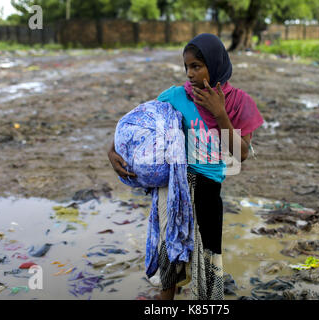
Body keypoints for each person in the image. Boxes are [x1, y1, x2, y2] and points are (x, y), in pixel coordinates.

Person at [108, 33, 264, 300]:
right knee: (169, 245)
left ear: (215, 65)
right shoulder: (176, 96)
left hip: (208, 189)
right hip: (172, 184)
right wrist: (112, 150)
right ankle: (166, 298)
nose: (190, 74)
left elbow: (242, 154)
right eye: (187, 67)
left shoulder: (239, 103)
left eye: (197, 66)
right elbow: (140, 123)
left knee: (207, 255)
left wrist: (220, 114)